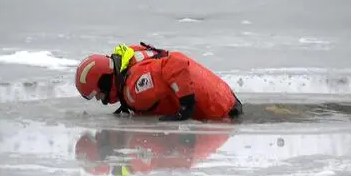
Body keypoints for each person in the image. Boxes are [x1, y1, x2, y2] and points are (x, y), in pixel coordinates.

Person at [74, 42, 243, 121]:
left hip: (218, 110)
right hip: (223, 94)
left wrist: (186, 106)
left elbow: (175, 62)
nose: (104, 101)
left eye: (100, 95)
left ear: (105, 81)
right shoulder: (131, 55)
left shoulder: (133, 89)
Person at [75, 128, 232, 176]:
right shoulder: (134, 149)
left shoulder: (132, 153)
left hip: (199, 140)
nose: (101, 131)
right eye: (99, 137)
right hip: (200, 140)